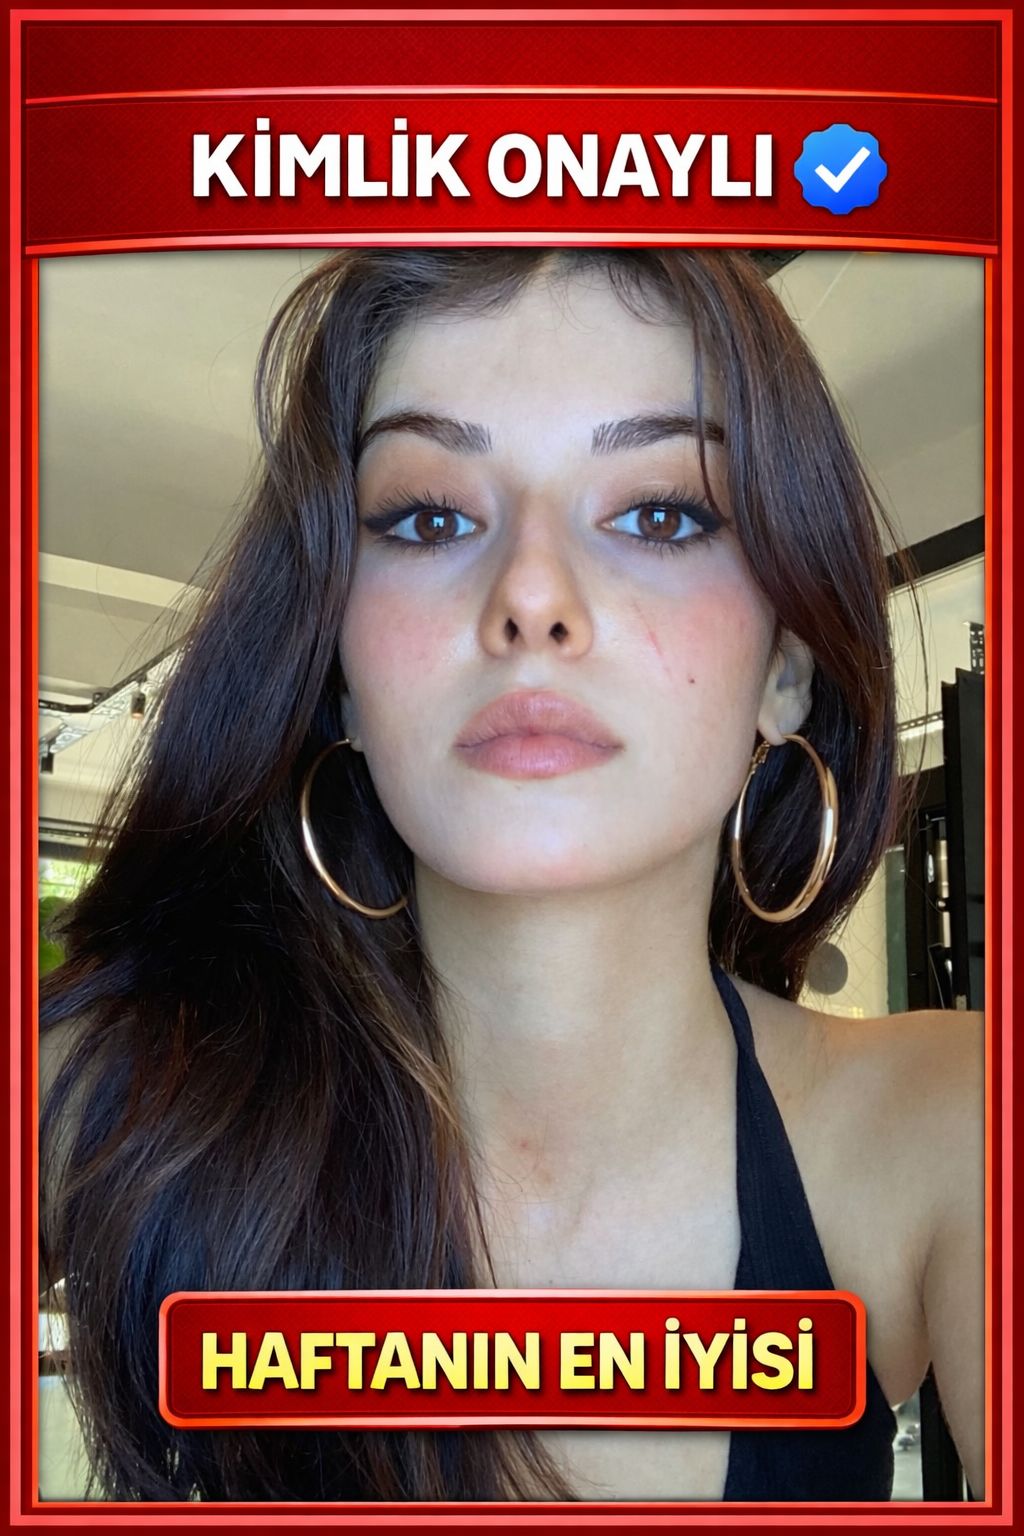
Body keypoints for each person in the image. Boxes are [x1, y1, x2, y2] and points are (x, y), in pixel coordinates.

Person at [39, 248, 985, 1504]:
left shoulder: (956, 1125)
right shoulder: (111, 1088)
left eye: (659, 514)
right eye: (430, 517)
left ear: (784, 672)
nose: (532, 598)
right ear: (340, 675)